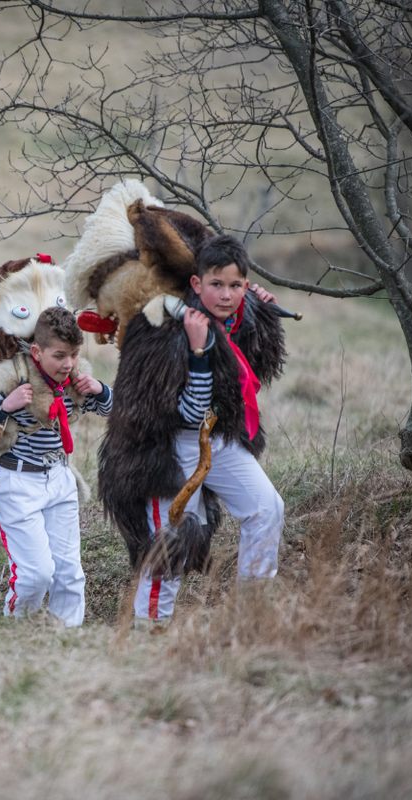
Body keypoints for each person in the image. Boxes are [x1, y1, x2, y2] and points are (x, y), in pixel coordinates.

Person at [132, 235, 287, 624]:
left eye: (236, 286)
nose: (226, 295)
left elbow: (254, 371)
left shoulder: (240, 319)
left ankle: (252, 613)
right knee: (172, 537)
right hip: (169, 447)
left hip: (220, 437)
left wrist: (261, 317)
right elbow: (186, 411)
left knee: (267, 507)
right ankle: (149, 630)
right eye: (216, 285)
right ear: (197, 284)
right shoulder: (170, 329)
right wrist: (199, 353)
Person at [0, 305, 112, 627]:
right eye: (59, 355)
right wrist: (4, 407)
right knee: (35, 574)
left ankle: (65, 635)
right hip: (19, 483)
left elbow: (111, 410)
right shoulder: (12, 379)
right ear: (36, 351)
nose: (68, 363)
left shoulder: (73, 379)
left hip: (59, 477)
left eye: (73, 354)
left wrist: (101, 391)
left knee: (69, 570)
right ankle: (18, 631)